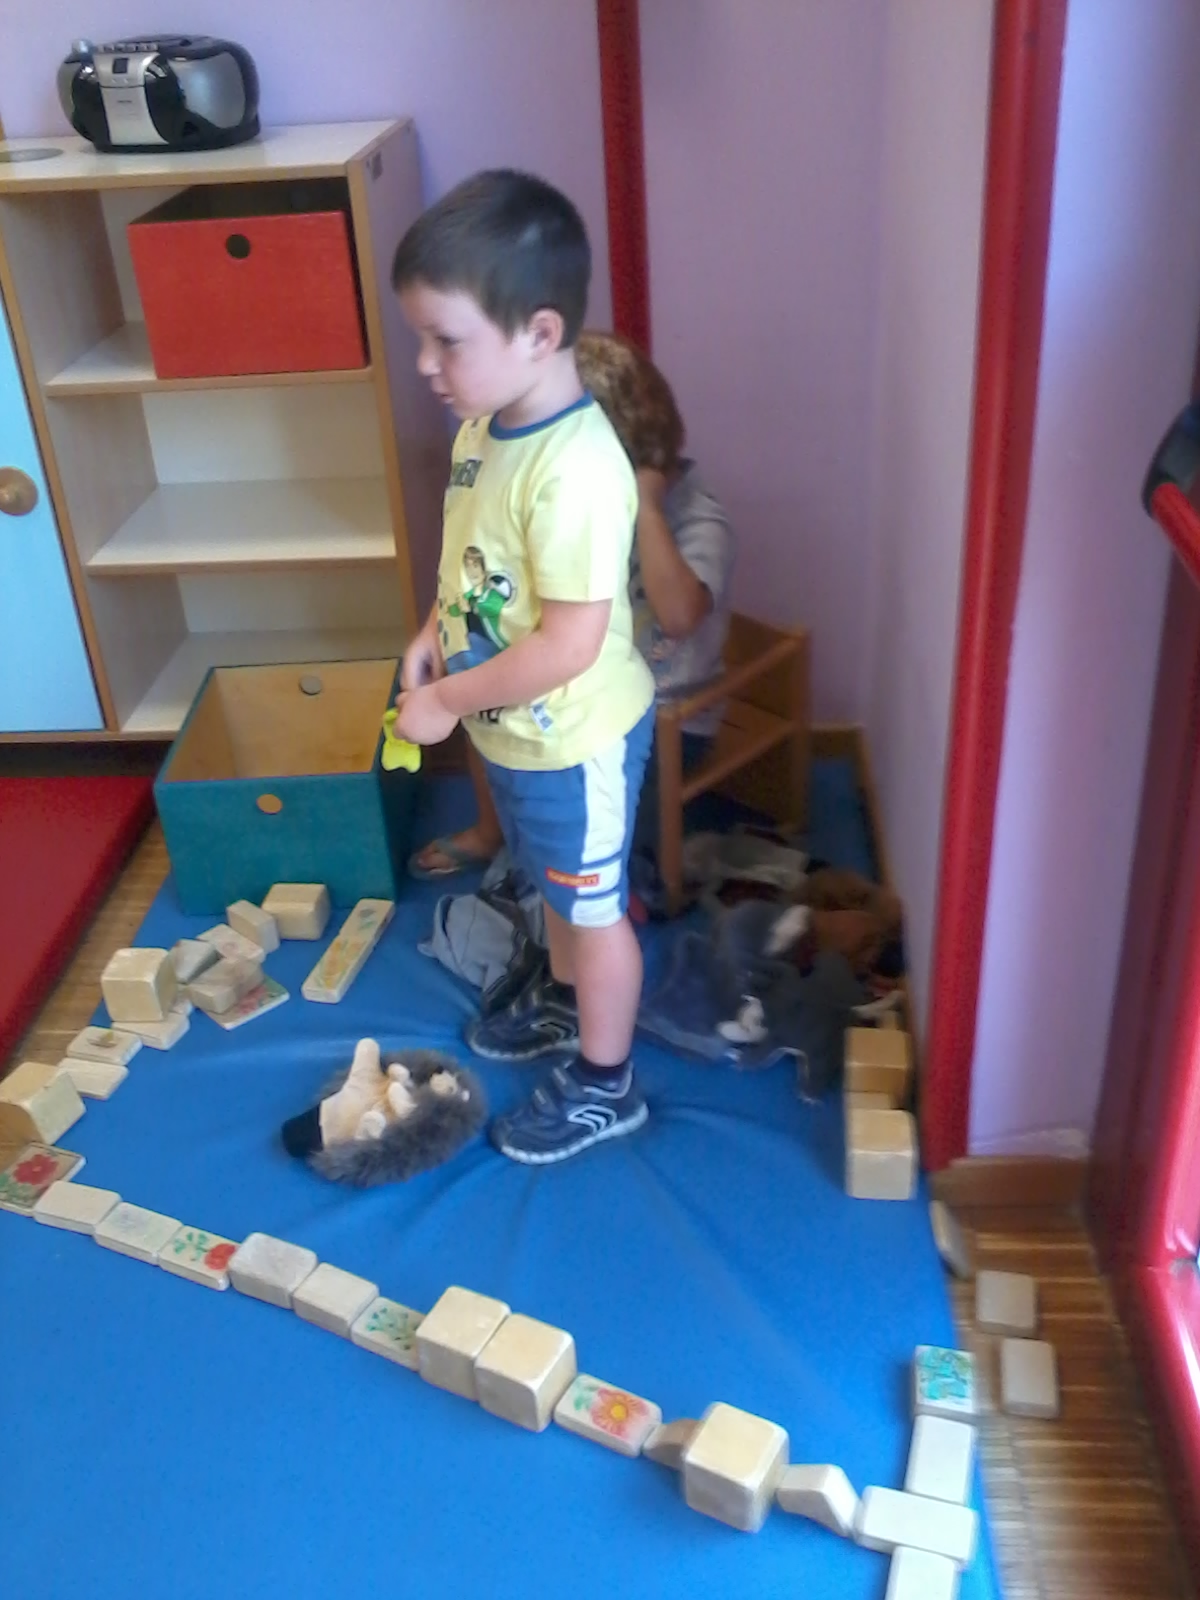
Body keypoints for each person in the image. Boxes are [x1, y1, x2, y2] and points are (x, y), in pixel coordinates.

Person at [390, 169, 656, 1165]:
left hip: (573, 741)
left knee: (593, 910)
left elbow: (569, 645)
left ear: (540, 334)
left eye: (445, 340)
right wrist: (432, 631)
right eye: (420, 339)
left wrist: (445, 702)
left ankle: (606, 1083)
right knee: (554, 888)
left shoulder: (576, 472)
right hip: (516, 734)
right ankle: (562, 994)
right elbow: (479, 567)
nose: (426, 364)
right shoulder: (484, 429)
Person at [409, 328, 735, 880]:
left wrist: (646, 508)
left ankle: (547, 859)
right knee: (486, 693)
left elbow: (679, 616)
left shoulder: (698, 518)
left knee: (585, 855)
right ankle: (493, 832)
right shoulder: (565, 489)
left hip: (660, 716)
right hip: (576, 681)